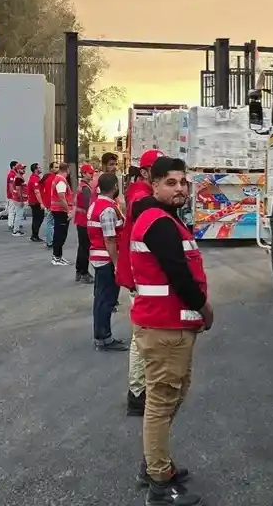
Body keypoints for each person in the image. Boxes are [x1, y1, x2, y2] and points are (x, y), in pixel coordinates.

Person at [130, 156, 212, 504]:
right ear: (155, 185)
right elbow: (179, 275)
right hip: (165, 325)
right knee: (162, 402)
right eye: (171, 183)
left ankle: (154, 463)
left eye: (183, 182)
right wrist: (204, 309)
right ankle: (159, 483)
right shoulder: (160, 223)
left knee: (169, 397)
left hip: (168, 324)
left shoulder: (161, 218)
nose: (179, 189)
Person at [118, 149, 164, 417]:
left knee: (145, 333)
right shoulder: (140, 193)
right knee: (141, 336)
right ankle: (137, 393)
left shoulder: (143, 190)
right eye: (156, 170)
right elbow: (139, 206)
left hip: (140, 275)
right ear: (145, 172)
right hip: (139, 277)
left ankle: (141, 388)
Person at [88, 172, 125, 350]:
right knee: (106, 300)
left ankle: (102, 335)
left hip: (98, 257)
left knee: (101, 298)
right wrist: (117, 264)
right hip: (106, 259)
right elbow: (109, 239)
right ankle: (104, 338)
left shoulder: (96, 204)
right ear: (115, 187)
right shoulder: (108, 209)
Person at [73, 163, 97, 284]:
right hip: (84, 221)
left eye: (92, 173)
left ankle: (79, 271)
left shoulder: (83, 186)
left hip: (80, 220)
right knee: (85, 248)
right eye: (89, 173)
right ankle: (84, 273)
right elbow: (90, 206)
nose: (92, 175)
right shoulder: (85, 188)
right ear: (83, 173)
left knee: (82, 247)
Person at [48, 162, 73, 266]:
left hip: (58, 209)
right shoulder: (61, 181)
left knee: (60, 234)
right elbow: (62, 197)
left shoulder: (58, 179)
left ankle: (58, 256)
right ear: (67, 170)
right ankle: (56, 257)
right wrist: (68, 211)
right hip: (60, 211)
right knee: (60, 234)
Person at [27, 164, 44, 243]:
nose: (41, 168)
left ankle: (35, 235)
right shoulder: (34, 179)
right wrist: (41, 203)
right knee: (38, 219)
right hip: (35, 202)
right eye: (39, 167)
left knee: (37, 218)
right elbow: (37, 192)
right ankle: (34, 235)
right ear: (36, 169)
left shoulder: (36, 178)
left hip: (35, 202)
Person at [43, 163, 58, 248]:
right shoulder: (53, 179)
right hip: (52, 205)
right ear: (51, 169)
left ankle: (50, 240)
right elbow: (50, 193)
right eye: (55, 167)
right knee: (50, 223)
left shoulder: (48, 178)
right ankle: (50, 241)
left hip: (49, 204)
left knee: (50, 223)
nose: (57, 169)